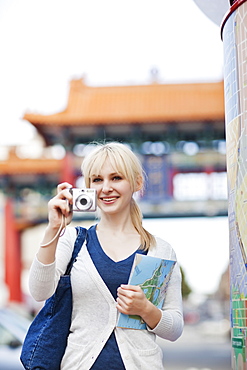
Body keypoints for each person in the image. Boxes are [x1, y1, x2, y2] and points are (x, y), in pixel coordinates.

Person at [29, 142, 184, 370]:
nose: (106, 188)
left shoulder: (159, 249)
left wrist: (146, 309)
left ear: (137, 182)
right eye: (97, 180)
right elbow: (39, 291)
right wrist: (53, 229)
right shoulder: (72, 240)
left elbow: (175, 328)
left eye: (116, 178)